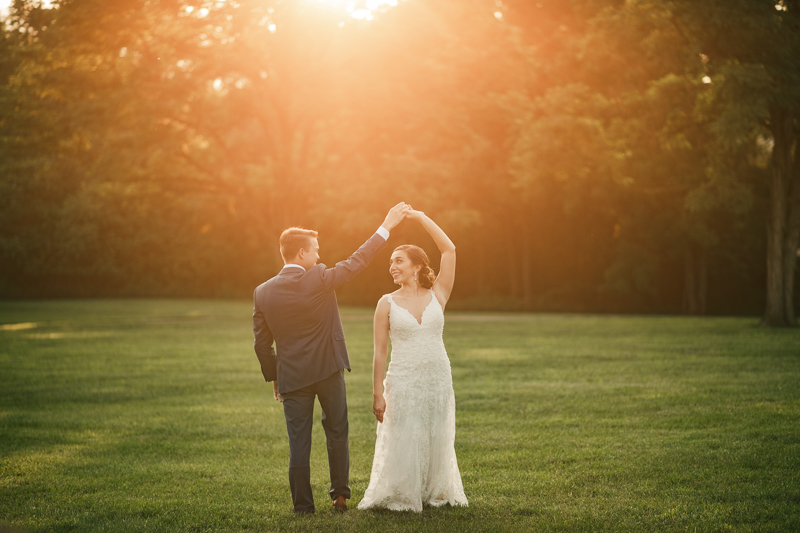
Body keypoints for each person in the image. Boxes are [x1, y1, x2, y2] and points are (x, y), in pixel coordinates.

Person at [253, 202, 410, 514]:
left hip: (292, 378)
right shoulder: (320, 277)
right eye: (314, 250)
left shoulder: (262, 292)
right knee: (337, 432)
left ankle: (302, 507)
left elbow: (261, 345)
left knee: (299, 444)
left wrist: (275, 377)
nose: (318, 256)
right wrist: (386, 227)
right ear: (301, 253)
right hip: (328, 372)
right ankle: (340, 496)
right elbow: (357, 262)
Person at [358, 209, 468, 512]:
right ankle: (404, 492)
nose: (392, 266)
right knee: (405, 434)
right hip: (403, 377)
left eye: (398, 260)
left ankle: (434, 489)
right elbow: (379, 351)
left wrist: (420, 217)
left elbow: (449, 249)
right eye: (391, 262)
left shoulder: (439, 294)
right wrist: (377, 393)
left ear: (417, 266)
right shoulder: (386, 303)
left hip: (438, 376)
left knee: (436, 430)